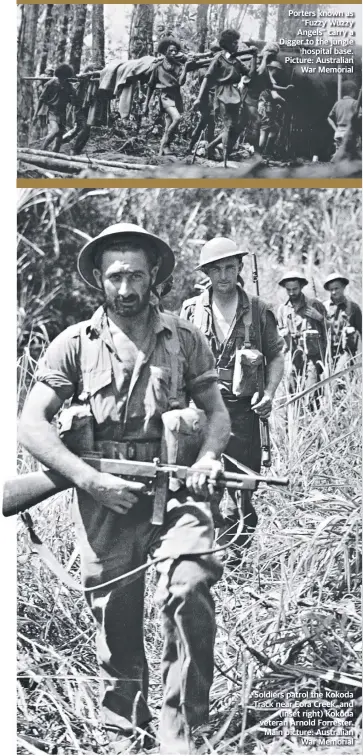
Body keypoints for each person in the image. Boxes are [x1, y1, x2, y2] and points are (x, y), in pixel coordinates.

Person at [18, 222, 231, 755]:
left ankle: (181, 729)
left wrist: (207, 458)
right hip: (104, 498)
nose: (127, 288)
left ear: (154, 273)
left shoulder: (184, 337)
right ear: (99, 280)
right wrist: (89, 479)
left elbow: (217, 413)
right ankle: (124, 726)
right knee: (115, 612)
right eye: (116, 277)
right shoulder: (74, 344)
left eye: (137, 275)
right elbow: (32, 424)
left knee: (189, 583)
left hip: (176, 488)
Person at [180, 238, 284, 566]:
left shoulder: (257, 308)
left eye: (229, 267)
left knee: (243, 494)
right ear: (206, 272)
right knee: (204, 488)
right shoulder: (190, 310)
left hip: (244, 414)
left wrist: (268, 393)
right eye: (216, 269)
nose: (223, 275)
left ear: (239, 267)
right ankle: (216, 558)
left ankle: (238, 553)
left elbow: (277, 354)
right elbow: (176, 359)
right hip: (204, 412)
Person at [193, 29, 256, 166]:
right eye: (234, 43)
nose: (237, 45)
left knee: (232, 127)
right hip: (222, 93)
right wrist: (198, 98)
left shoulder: (236, 61)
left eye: (237, 42)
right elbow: (207, 78)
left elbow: (249, 74)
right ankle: (225, 160)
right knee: (228, 126)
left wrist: (254, 57)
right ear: (227, 44)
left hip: (234, 94)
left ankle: (210, 147)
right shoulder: (219, 59)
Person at [277, 270, 327, 395]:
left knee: (312, 389)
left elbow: (330, 329)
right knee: (291, 387)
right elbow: (278, 334)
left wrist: (320, 318)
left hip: (312, 356)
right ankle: (297, 413)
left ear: (301, 287)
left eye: (295, 289)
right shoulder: (283, 309)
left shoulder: (314, 304)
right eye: (288, 289)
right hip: (293, 355)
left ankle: (314, 412)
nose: (292, 292)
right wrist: (283, 333)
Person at [143, 37, 189, 156]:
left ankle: (162, 150)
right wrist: (146, 104)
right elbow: (150, 86)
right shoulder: (158, 67)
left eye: (175, 51)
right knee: (177, 118)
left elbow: (181, 82)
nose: (173, 53)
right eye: (170, 51)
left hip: (176, 96)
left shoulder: (179, 66)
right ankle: (165, 145)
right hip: (164, 96)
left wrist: (185, 69)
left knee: (169, 123)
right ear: (164, 52)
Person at [33, 63, 76, 152]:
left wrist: (73, 96)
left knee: (59, 137)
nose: (62, 79)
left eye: (65, 77)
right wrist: (35, 114)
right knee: (54, 130)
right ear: (58, 75)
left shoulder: (69, 86)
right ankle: (41, 150)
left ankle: (54, 156)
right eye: (61, 77)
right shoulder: (51, 83)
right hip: (52, 111)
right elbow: (41, 99)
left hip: (62, 112)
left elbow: (73, 100)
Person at [323, 272, 362, 369]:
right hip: (328, 350)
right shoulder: (324, 307)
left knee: (338, 380)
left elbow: (361, 331)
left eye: (336, 288)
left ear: (343, 287)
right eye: (331, 289)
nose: (334, 292)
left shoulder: (353, 307)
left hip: (346, 351)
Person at [62, 63, 100, 155]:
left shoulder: (94, 83)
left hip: (87, 109)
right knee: (85, 129)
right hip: (80, 109)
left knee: (84, 130)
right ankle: (74, 150)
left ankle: (71, 147)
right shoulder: (82, 82)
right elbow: (74, 98)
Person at [327, 81, 359, 156]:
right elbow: (360, 116)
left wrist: (335, 129)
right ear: (352, 91)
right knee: (352, 156)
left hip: (338, 132)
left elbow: (329, 117)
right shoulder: (355, 103)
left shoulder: (337, 103)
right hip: (350, 133)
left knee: (339, 156)